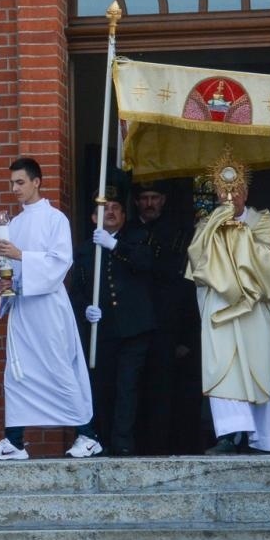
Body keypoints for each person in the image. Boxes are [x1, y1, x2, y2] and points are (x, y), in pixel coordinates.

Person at [0, 157, 97, 460]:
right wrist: (7, 283)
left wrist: (20, 255)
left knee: (58, 367)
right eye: (12, 183)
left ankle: (87, 435)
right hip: (23, 308)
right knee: (17, 373)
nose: (15, 188)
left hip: (47, 306)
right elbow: (10, 267)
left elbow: (60, 261)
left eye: (20, 182)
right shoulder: (14, 223)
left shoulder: (54, 219)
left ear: (36, 182)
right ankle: (15, 441)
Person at [184, 168, 270, 454]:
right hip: (221, 307)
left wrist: (238, 236)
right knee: (223, 367)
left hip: (254, 308)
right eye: (223, 191)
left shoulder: (262, 222)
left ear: (246, 193)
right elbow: (197, 260)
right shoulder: (208, 223)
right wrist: (214, 229)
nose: (229, 197)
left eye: (235, 190)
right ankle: (229, 434)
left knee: (259, 367)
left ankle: (263, 439)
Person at [73, 176, 154, 457]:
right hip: (102, 330)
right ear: (93, 216)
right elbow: (77, 290)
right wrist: (85, 309)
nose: (110, 212)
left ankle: (123, 442)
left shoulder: (137, 238)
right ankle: (100, 439)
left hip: (132, 329)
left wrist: (114, 246)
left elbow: (147, 264)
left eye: (115, 207)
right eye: (104, 208)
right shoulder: (84, 249)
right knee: (102, 386)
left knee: (127, 388)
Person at [132, 181, 201, 455]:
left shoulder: (178, 232)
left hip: (168, 325)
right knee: (135, 388)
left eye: (155, 197)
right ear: (136, 202)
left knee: (167, 390)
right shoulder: (128, 232)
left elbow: (185, 285)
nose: (149, 203)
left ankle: (166, 447)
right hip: (135, 325)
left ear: (164, 199)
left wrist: (186, 335)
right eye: (144, 198)